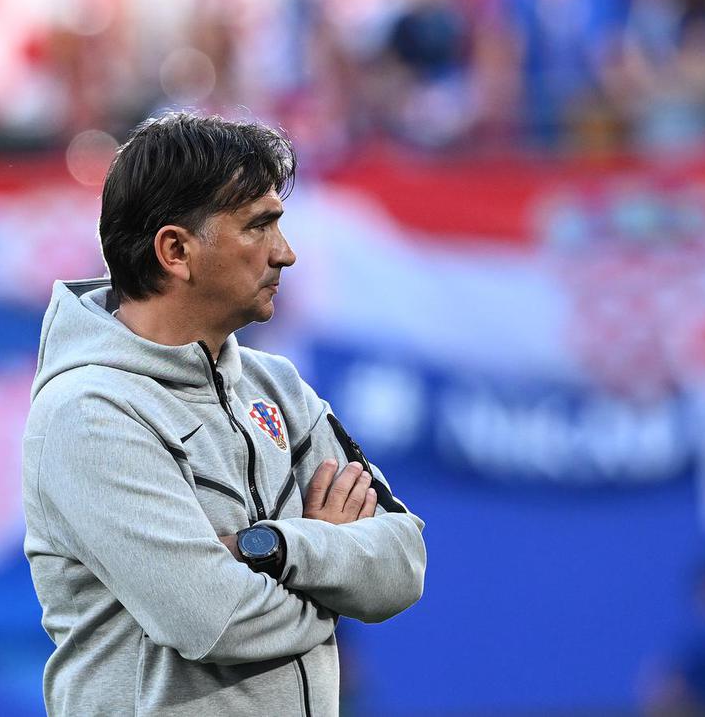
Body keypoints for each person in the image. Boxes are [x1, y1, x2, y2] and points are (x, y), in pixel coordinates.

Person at [22, 112, 427, 716]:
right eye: (259, 226)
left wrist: (271, 548)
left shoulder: (278, 387)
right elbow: (217, 622)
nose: (285, 254)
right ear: (175, 250)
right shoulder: (88, 412)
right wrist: (332, 581)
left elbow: (403, 564)